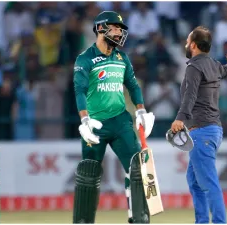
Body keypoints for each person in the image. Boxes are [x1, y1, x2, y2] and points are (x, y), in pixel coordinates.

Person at [72, 11, 155, 224]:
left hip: (120, 121)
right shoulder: (85, 58)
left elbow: (133, 86)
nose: (119, 32)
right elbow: (79, 90)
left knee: (137, 166)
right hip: (95, 124)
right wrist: (84, 120)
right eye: (115, 28)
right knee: (89, 173)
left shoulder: (122, 57)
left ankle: (139, 217)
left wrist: (141, 110)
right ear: (101, 29)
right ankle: (83, 220)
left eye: (120, 29)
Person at [170, 26, 227, 224]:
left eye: (187, 41)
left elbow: (190, 94)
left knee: (208, 182)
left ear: (193, 45)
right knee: (195, 181)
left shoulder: (193, 67)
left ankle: (218, 222)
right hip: (213, 131)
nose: (185, 44)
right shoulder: (215, 65)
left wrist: (180, 118)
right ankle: (202, 221)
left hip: (202, 132)